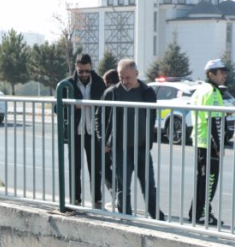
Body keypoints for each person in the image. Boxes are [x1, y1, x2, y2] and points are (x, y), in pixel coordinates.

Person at [101, 59, 162, 220]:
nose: (124, 81)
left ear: (136, 73)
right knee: (123, 187)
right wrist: (103, 141)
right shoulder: (112, 93)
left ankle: (157, 217)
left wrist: (148, 140)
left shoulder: (147, 92)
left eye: (128, 77)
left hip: (141, 147)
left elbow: (152, 118)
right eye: (121, 77)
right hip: (120, 148)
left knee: (149, 186)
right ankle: (126, 217)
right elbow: (99, 117)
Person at [60, 53, 106, 207]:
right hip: (76, 133)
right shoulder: (67, 84)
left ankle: (96, 200)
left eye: (87, 70)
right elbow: (56, 108)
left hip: (94, 133)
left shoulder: (99, 83)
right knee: (75, 168)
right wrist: (72, 105)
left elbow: (106, 106)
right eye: (81, 71)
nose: (84, 74)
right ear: (76, 68)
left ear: (91, 67)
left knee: (96, 169)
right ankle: (76, 200)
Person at [191, 59, 228, 226]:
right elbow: (213, 120)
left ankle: (196, 213)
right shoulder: (212, 92)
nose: (224, 75)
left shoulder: (201, 90)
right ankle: (201, 214)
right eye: (221, 72)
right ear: (211, 74)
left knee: (203, 180)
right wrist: (218, 145)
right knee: (209, 182)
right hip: (208, 143)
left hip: (200, 140)